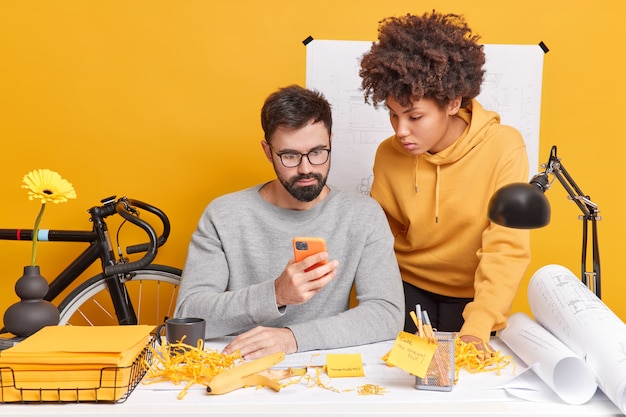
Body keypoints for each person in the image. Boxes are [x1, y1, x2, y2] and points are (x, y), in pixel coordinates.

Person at [174, 84, 404, 360]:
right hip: (242, 368)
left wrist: (292, 338)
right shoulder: (224, 215)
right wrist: (275, 294)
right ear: (268, 151)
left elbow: (386, 315)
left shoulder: (363, 215)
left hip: (324, 371)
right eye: (290, 156)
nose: (306, 168)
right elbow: (188, 315)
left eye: (318, 152)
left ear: (331, 141)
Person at [358, 11, 531, 353]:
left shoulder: (504, 147)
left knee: (466, 384)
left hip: (472, 295)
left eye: (415, 116)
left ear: (453, 103)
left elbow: (506, 247)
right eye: (393, 114)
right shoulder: (388, 155)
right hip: (405, 288)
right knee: (396, 383)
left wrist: (478, 325)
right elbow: (379, 241)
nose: (400, 130)